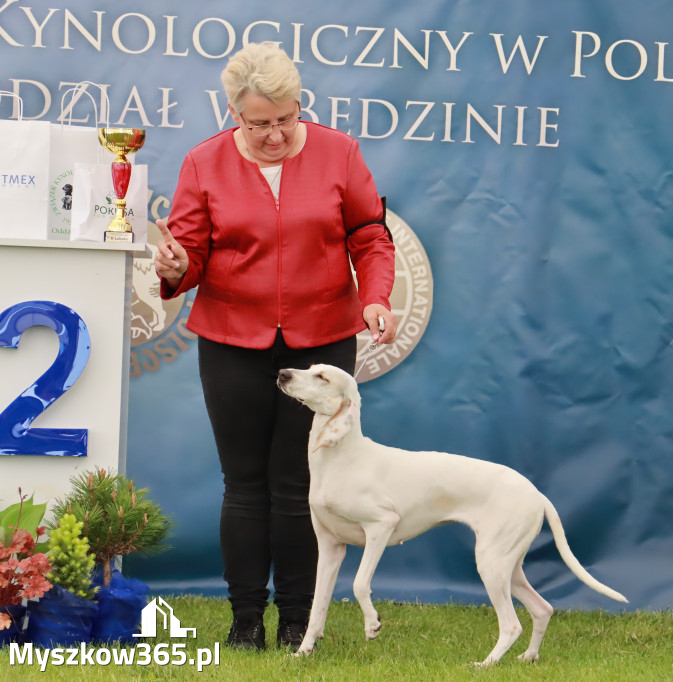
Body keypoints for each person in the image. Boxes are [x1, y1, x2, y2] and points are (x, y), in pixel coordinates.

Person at [153, 41, 396, 650]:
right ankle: (244, 623)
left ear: (299, 105)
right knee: (244, 484)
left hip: (321, 346)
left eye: (286, 119)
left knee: (298, 485)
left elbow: (369, 234)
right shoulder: (203, 162)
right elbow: (190, 254)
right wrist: (179, 264)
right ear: (234, 112)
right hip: (233, 341)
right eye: (259, 123)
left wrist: (376, 295)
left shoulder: (339, 151)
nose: (275, 135)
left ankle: (296, 621)